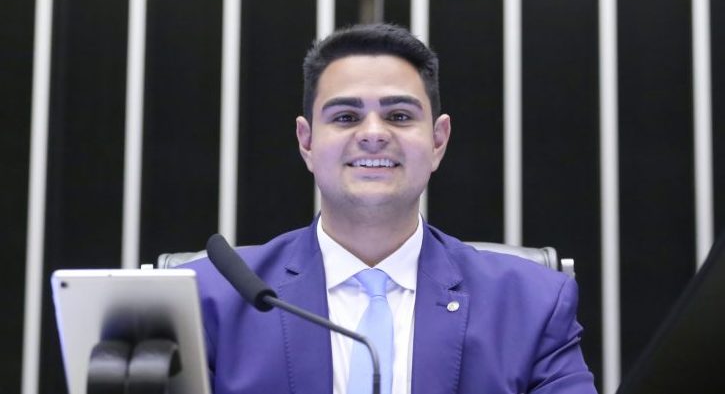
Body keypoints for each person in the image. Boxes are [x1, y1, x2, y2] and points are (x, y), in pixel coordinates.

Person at [187, 23, 597, 394]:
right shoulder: (211, 298)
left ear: (438, 140)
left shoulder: (531, 304)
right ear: (306, 142)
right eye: (346, 117)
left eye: (399, 116)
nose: (372, 134)